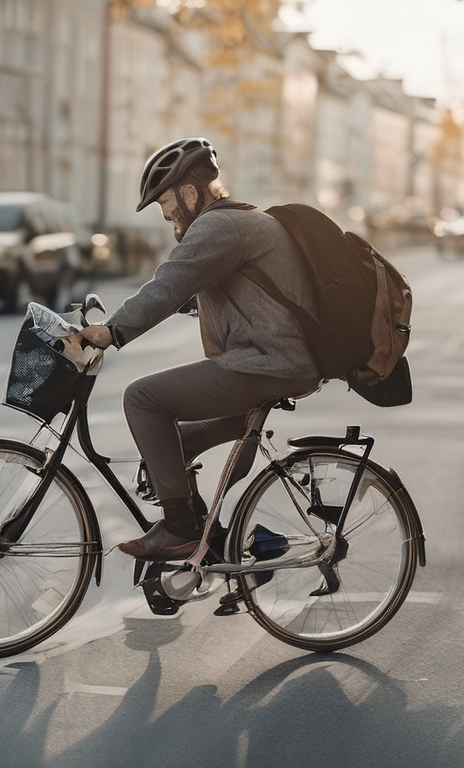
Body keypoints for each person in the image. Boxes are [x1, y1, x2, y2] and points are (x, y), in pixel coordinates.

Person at [79, 137, 322, 560]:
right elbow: (221, 290)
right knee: (174, 444)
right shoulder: (239, 221)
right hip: (279, 360)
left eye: (165, 203)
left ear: (190, 193)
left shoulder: (217, 226)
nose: (166, 214)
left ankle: (180, 529)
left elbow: (169, 283)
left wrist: (110, 331)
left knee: (143, 398)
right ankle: (218, 542)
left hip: (268, 363)